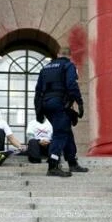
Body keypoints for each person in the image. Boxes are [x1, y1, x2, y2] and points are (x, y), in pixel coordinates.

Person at [34, 47, 88, 177]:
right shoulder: (69, 65)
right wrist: (79, 102)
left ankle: (72, 162)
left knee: (65, 130)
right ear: (70, 55)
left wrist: (38, 111)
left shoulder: (45, 68)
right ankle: (53, 164)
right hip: (59, 103)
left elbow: (37, 90)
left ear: (57, 54)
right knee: (60, 133)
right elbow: (71, 84)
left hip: (46, 105)